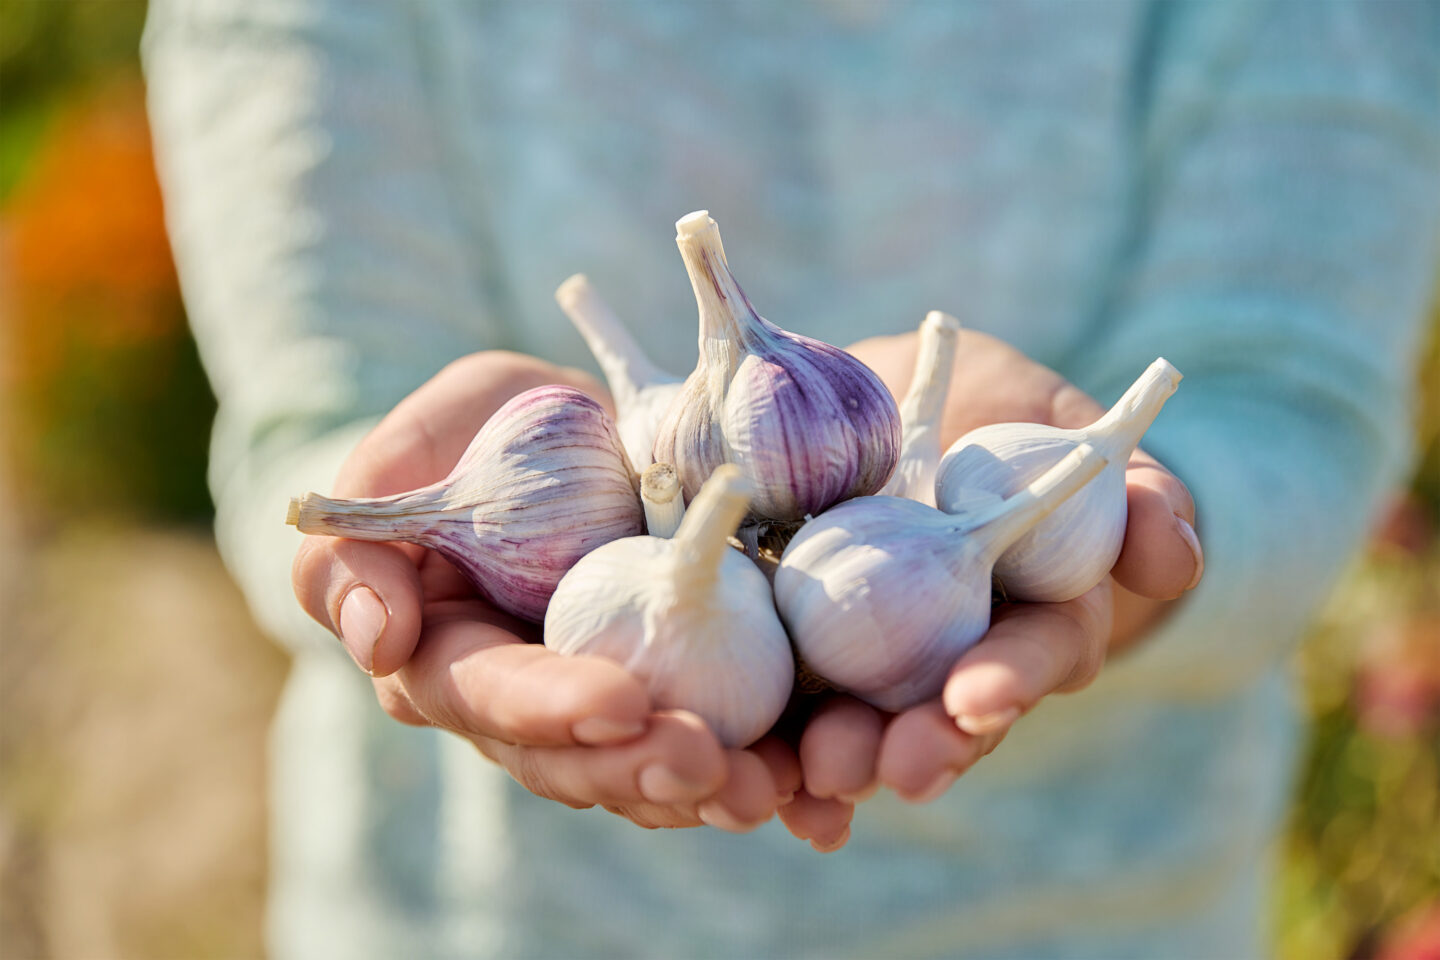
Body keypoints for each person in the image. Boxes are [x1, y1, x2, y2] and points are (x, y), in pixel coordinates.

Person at [142, 1, 1440, 957]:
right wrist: (383, 533)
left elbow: (1286, 404)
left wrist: (1148, 528)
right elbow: (312, 419)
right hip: (478, 923)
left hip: (1102, 920)